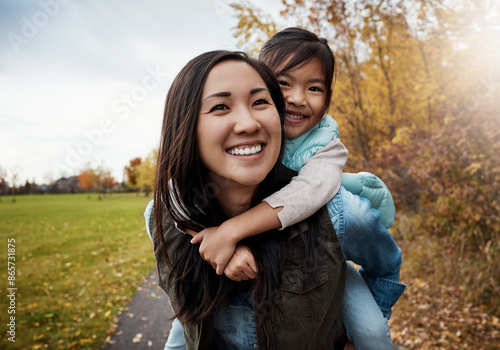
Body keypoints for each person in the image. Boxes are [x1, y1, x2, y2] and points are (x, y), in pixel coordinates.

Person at [160, 28, 405, 349]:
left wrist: (231, 232)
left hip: (328, 259)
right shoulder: (178, 202)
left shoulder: (326, 150)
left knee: (372, 333)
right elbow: (170, 202)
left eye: (314, 87)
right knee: (183, 330)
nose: (297, 98)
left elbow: (311, 191)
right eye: (283, 84)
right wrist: (214, 241)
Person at [146, 50, 348, 349]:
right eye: (220, 106)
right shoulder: (162, 217)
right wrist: (210, 242)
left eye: (260, 102)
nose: (248, 124)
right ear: (185, 126)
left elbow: (383, 265)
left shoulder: (340, 211)